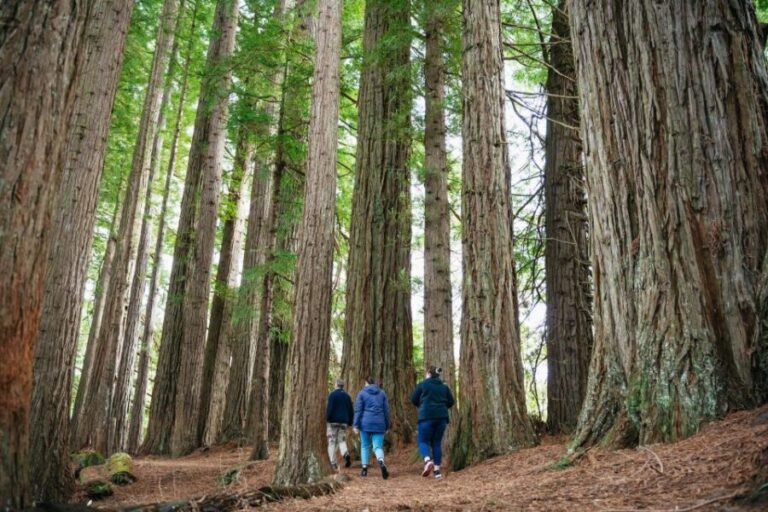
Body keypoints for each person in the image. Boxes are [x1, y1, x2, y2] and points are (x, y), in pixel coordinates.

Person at [410, 365, 455, 479]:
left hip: (426, 417)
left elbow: (414, 399)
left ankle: (427, 460)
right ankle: (437, 471)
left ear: (429, 373)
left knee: (423, 441)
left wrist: (422, 406)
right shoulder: (444, 387)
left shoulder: (423, 384)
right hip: (442, 418)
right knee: (436, 443)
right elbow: (451, 402)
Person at [353, 376, 391, 479]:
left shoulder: (362, 393)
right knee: (377, 447)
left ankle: (364, 469)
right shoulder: (382, 393)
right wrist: (387, 425)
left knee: (365, 446)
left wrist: (355, 425)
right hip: (379, 424)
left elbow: (358, 410)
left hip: (365, 423)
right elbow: (386, 411)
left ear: (366, 383)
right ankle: (381, 461)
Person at [326, 378, 354, 471]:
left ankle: (333, 463)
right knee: (341, 440)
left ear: (336, 385)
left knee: (332, 442)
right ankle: (345, 454)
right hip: (343, 423)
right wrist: (350, 422)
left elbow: (329, 409)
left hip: (333, 422)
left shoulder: (332, 395)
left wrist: (327, 419)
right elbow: (351, 411)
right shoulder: (347, 396)